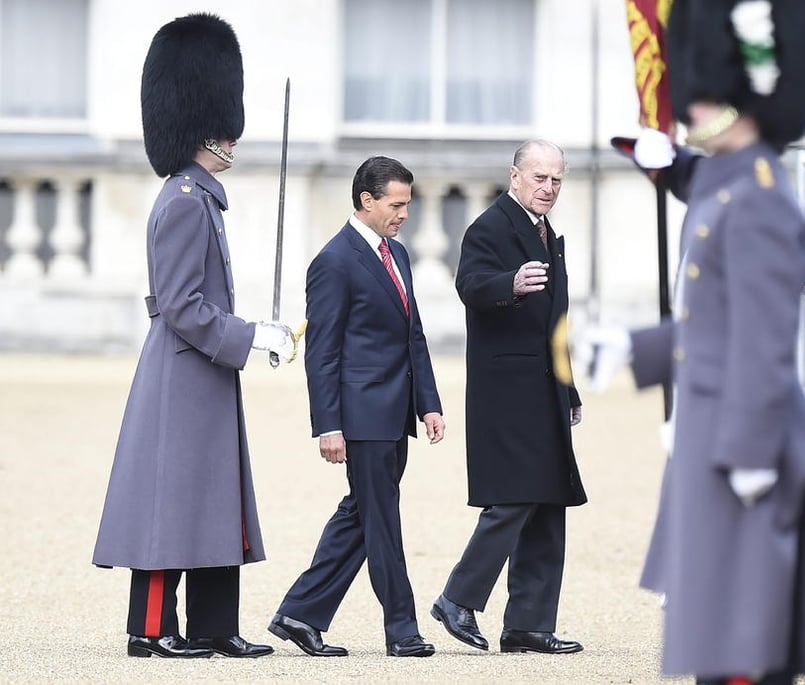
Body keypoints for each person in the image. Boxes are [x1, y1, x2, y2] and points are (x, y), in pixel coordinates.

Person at [585, 0, 805, 683]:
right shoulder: (729, 180)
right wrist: (636, 350)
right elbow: (713, 324)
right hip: (718, 445)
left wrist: (749, 456)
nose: (690, 108)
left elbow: (760, 342)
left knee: (743, 657)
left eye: (702, 95)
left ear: (743, 96)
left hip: (743, 458)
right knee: (719, 653)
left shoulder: (756, 196)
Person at [92, 13, 294, 659]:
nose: (233, 139)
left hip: (203, 369)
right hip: (183, 369)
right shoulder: (184, 199)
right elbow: (182, 304)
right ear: (208, 129)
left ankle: (213, 625)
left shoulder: (199, 197)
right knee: (171, 500)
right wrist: (251, 334)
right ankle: (149, 629)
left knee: (213, 496)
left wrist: (244, 336)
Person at [267, 156, 445, 658]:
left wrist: (428, 404)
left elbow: (414, 334)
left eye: (407, 203)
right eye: (397, 204)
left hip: (395, 412)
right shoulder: (334, 260)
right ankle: (403, 630)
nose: (405, 213)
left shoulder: (399, 254)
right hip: (361, 417)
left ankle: (299, 614)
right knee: (382, 519)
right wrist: (328, 426)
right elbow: (322, 352)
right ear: (366, 201)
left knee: (362, 516)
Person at [430, 140, 586, 655]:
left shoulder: (548, 234)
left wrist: (569, 387)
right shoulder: (490, 227)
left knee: (548, 499)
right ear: (515, 176)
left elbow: (556, 323)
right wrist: (511, 283)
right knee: (516, 496)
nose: (548, 188)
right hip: (507, 390)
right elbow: (469, 286)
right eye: (539, 177)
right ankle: (457, 597)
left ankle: (528, 626)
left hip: (543, 387)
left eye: (556, 180)